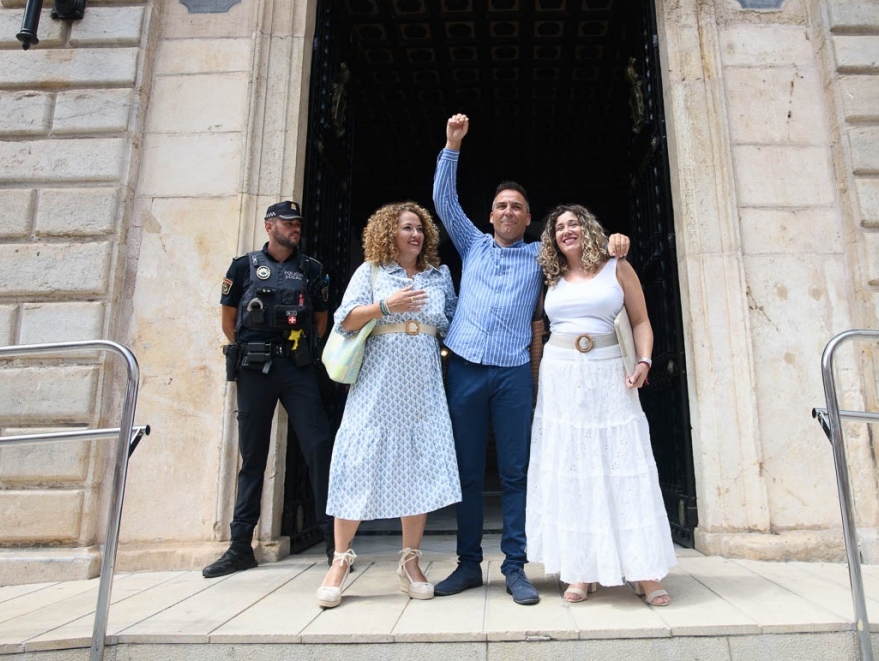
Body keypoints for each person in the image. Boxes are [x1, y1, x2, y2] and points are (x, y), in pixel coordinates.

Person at [432, 113, 628, 605]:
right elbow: (442, 201)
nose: (507, 211)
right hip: (466, 369)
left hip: (515, 374)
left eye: (517, 207)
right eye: (501, 205)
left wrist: (618, 245)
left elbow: (586, 256)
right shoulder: (472, 244)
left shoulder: (542, 259)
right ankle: (468, 564)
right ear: (491, 214)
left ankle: (515, 566)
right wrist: (453, 145)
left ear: (527, 217)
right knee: (469, 471)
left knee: (518, 471)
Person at [527, 204, 677, 606]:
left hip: (610, 372)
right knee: (574, 469)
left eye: (574, 223)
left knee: (622, 464)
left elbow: (641, 320)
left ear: (588, 228)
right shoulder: (551, 277)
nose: (567, 230)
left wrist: (644, 360)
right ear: (553, 238)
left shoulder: (617, 266)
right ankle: (581, 569)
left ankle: (643, 571)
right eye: (559, 227)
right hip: (562, 376)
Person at [316, 202, 461, 608]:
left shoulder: (439, 275)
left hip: (423, 383)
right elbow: (344, 320)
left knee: (417, 468)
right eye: (407, 228)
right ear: (388, 234)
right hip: (378, 383)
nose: (415, 235)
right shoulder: (372, 272)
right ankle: (340, 562)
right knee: (358, 463)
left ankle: (410, 562)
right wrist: (385, 307)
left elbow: (453, 320)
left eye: (420, 229)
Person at [204, 201, 333, 578]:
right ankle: (240, 546)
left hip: (297, 367)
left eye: (298, 223)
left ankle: (333, 542)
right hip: (255, 369)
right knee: (252, 456)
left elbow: (321, 321)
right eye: (288, 223)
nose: (295, 228)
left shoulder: (311, 270)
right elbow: (229, 319)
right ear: (269, 226)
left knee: (318, 447)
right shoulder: (242, 267)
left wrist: (297, 348)